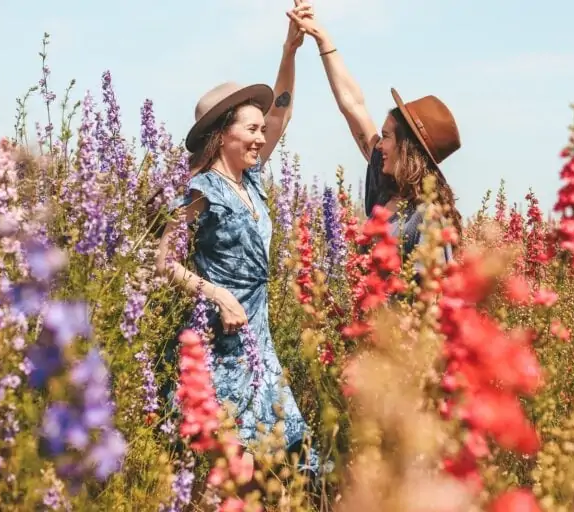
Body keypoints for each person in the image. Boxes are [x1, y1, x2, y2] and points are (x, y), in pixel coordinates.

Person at [156, 1, 320, 476]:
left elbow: (281, 111)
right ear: (223, 134)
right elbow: (162, 261)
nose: (259, 137)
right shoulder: (199, 190)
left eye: (258, 131)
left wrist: (291, 50)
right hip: (220, 342)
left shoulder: (251, 180)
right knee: (232, 474)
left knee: (283, 464)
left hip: (258, 340)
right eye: (250, 129)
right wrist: (216, 293)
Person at [287, 7, 462, 265]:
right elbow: (353, 107)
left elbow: (431, 298)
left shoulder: (428, 220)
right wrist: (323, 39)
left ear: (408, 149)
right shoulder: (385, 185)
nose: (379, 145)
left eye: (387, 136)